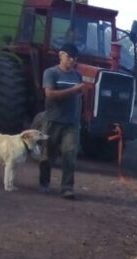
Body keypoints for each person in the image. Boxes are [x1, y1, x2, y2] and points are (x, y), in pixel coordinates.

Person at [39, 43, 85, 200]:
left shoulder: (77, 76)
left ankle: (67, 188)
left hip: (71, 123)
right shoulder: (51, 73)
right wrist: (73, 90)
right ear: (61, 55)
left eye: (75, 58)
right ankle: (44, 183)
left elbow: (79, 98)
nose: (72, 60)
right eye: (69, 57)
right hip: (53, 120)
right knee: (47, 155)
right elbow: (49, 94)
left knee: (70, 154)